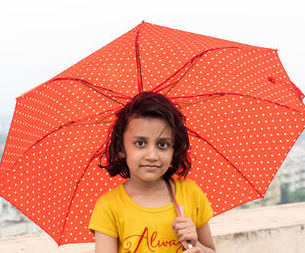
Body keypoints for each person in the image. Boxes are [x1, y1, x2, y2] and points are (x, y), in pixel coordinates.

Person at [89, 92, 216, 253]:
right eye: (140, 143)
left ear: (173, 148)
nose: (152, 156)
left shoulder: (191, 193)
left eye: (162, 144)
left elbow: (211, 251)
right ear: (121, 149)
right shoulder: (108, 207)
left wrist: (197, 246)